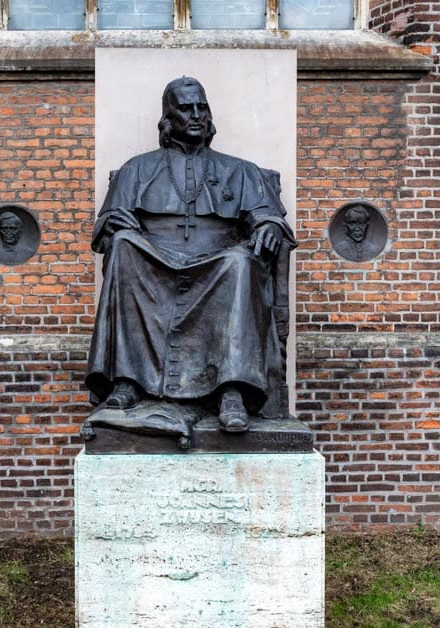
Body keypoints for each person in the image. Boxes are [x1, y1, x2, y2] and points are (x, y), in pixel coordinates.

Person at [85, 77, 295, 433]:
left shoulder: (240, 171)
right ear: (168, 117)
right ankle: (128, 382)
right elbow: (105, 227)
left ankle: (232, 391)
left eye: (202, 107)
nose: (196, 115)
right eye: (186, 108)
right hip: (153, 262)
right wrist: (113, 222)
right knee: (123, 247)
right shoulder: (137, 169)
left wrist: (269, 226)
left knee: (241, 262)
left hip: (218, 264)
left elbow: (267, 214)